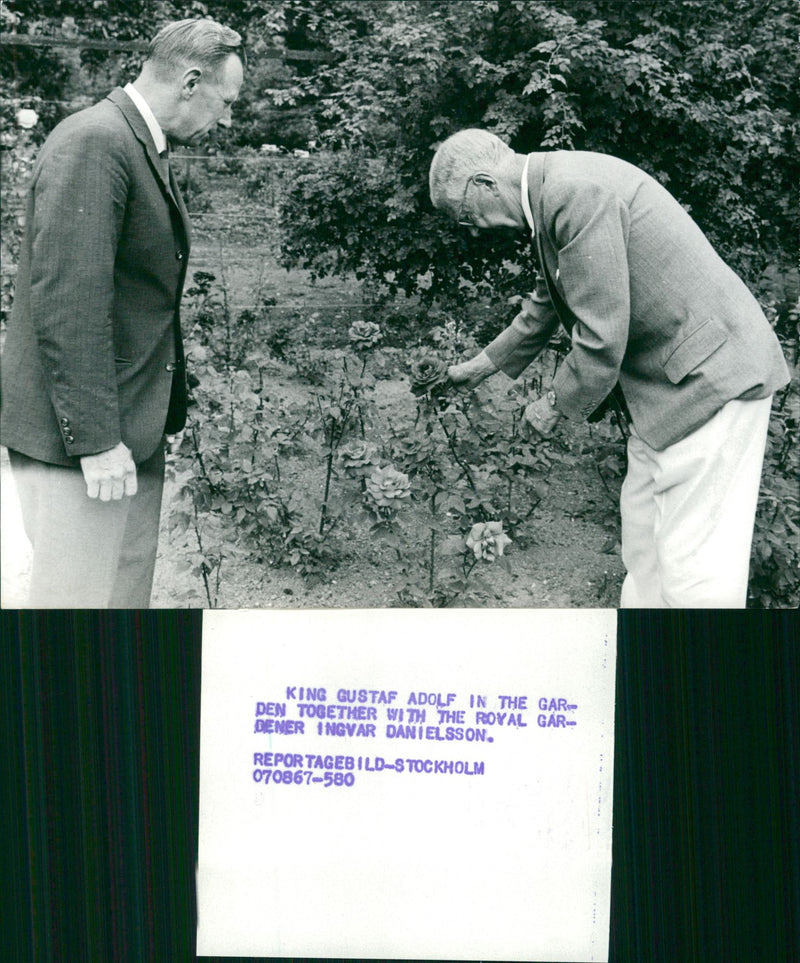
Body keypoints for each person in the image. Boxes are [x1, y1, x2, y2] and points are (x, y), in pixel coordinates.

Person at [429, 129, 789, 608]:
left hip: (712, 378)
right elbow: (547, 302)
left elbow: (603, 333)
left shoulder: (573, 192)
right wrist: (481, 366)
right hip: (668, 384)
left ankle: (706, 674)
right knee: (644, 546)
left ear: (484, 184)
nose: (475, 227)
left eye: (467, 215)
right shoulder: (549, 192)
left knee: (696, 568)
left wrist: (555, 404)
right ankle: (648, 669)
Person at [1, 19, 244, 607]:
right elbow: (70, 302)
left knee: (118, 600)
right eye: (227, 101)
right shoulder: (96, 141)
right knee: (75, 607)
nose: (228, 119)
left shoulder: (137, 142)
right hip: (82, 439)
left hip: (127, 422)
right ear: (190, 81)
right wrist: (97, 441)